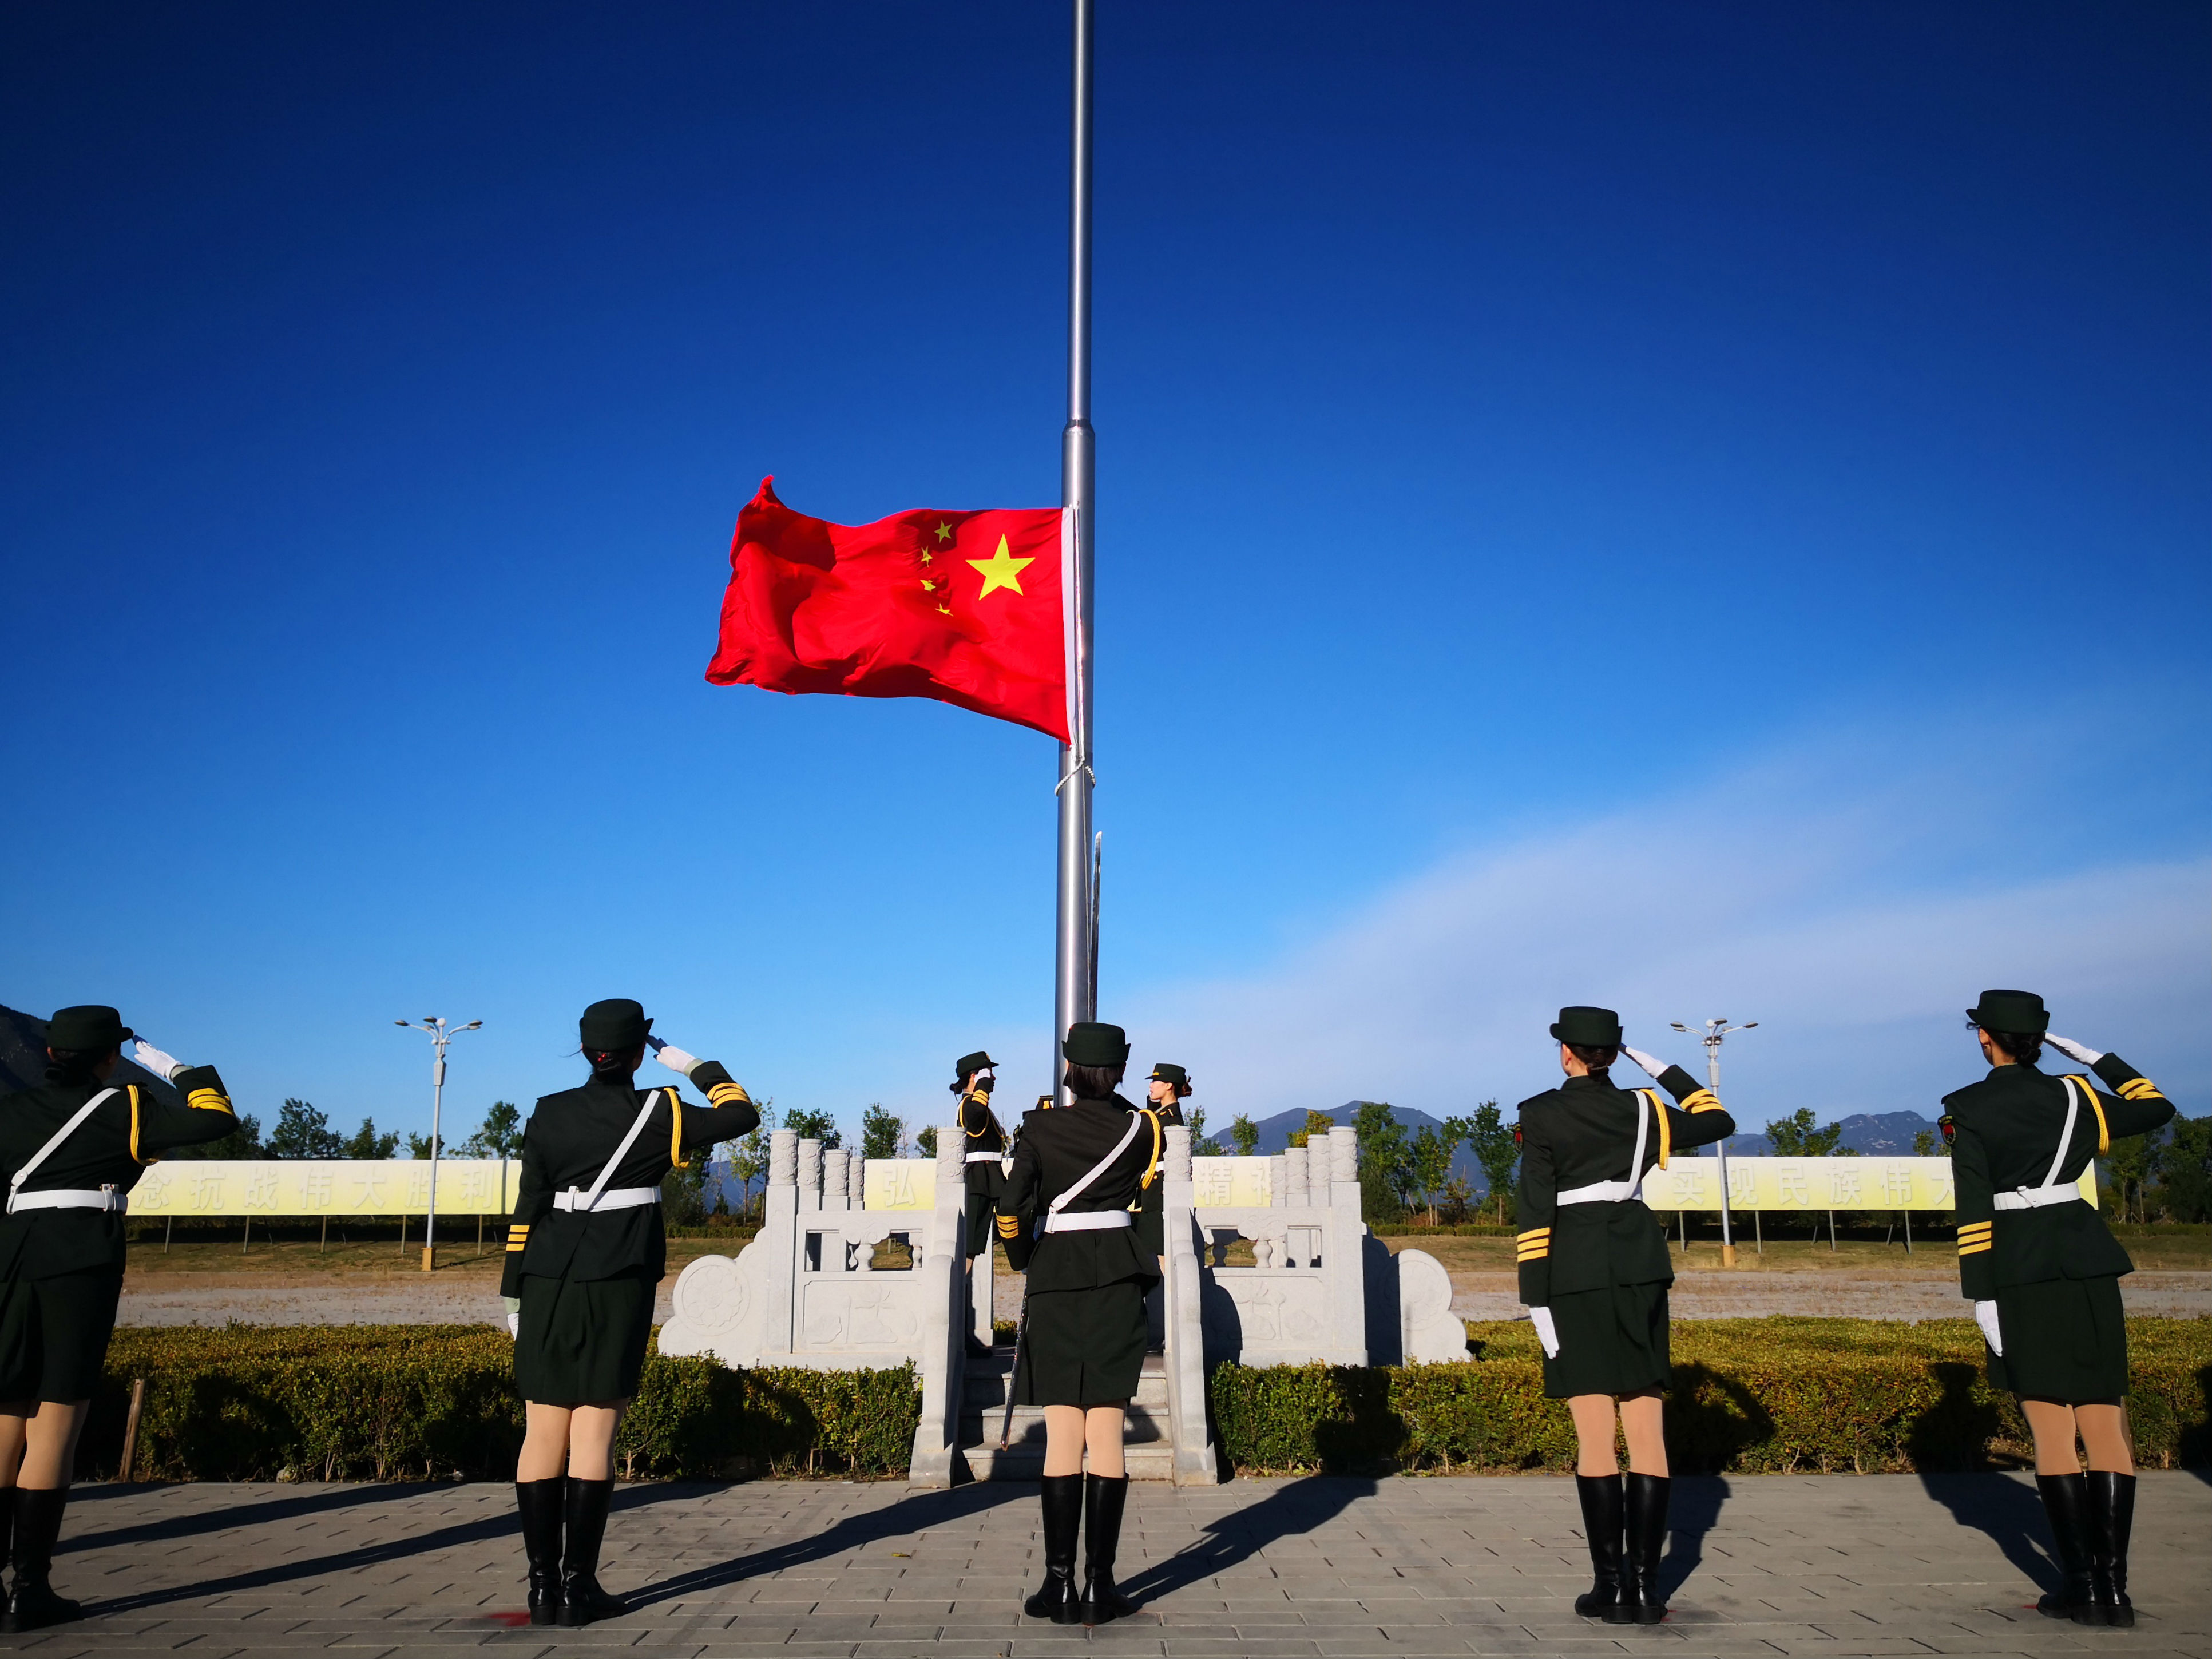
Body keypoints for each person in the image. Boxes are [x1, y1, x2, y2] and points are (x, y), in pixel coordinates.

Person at [501, 999, 759, 1627]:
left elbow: (528, 1203)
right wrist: (688, 1060)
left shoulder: (548, 1111)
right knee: (592, 1433)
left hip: (544, 1277)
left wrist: (513, 1289)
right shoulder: (659, 1109)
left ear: (586, 1048)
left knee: (542, 1431)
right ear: (640, 1051)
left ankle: (541, 1589)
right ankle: (578, 1585)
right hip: (617, 1279)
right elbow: (740, 1112)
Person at [0, 1006, 240, 1631]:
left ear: (50, 1054)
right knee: (53, 1423)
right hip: (78, 1261)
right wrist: (168, 1061)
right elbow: (216, 1117)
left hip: (10, 1259)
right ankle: (30, 1590)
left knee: (4, 1417)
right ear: (113, 1055)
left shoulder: (11, 1109)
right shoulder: (124, 1104)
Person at [1944, 990, 2174, 1627]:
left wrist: (1979, 1292)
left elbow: (1972, 1206)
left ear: (1985, 1037)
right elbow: (2155, 1106)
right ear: (2040, 1041)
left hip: (2018, 1266)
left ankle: (2078, 1583)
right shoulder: (2077, 1096)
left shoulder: (1963, 1107)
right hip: (2085, 1259)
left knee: (2050, 1429)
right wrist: (2100, 1059)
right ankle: (2114, 1588)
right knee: (2104, 1422)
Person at [1514, 1006, 1735, 1626]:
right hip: (1638, 1263)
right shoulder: (1644, 1109)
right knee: (1645, 1428)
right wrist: (1661, 1065)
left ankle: (1606, 1583)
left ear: (1565, 1052)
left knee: (1592, 1432)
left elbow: (1534, 1211)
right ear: (1613, 1053)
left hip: (1573, 1271)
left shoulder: (1540, 1114)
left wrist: (1535, 1295)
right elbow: (1717, 1117)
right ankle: (1645, 1588)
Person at [997, 1021, 1163, 1628]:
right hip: (1117, 1279)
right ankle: (1101, 1585)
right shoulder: (1139, 1129)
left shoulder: (1038, 1126)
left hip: (1057, 1281)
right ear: (1119, 1070)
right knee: (1109, 1434)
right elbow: (1141, 1184)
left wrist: (1025, 1260)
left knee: (1064, 1433)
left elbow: (1011, 1208)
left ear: (1068, 1066)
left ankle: (1058, 1584)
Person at [952, 1051, 1005, 1356]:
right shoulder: (971, 1104)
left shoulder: (980, 1104)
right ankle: (959, 1332)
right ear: (975, 1076)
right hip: (977, 1184)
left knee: (973, 1255)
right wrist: (981, 1089)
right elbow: (974, 1121)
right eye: (988, 1073)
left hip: (990, 1181)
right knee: (967, 1258)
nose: (994, 1079)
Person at [1144, 1063, 1191, 1128]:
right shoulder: (1160, 1113)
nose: (1151, 1085)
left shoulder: (1173, 1120)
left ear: (1168, 1086)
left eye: (1154, 1081)